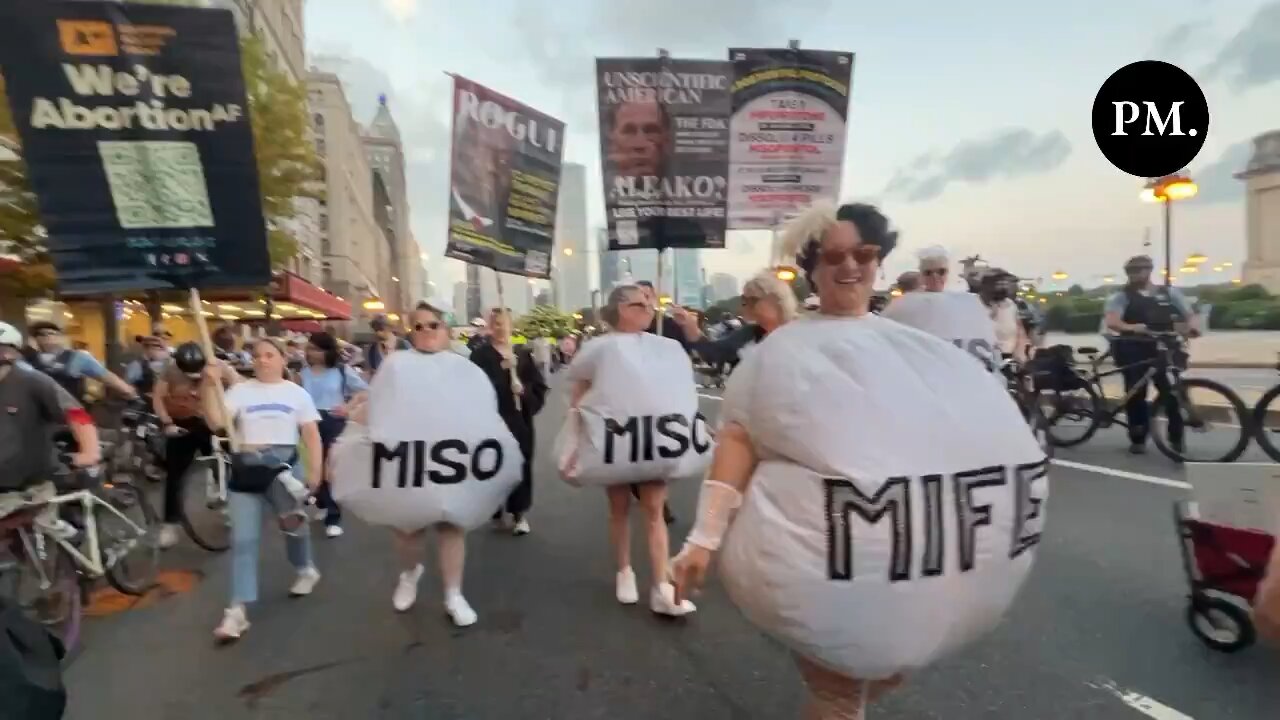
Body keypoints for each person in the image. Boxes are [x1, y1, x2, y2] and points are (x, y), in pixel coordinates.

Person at [671, 202, 1045, 719]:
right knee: (840, 697)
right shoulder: (780, 354)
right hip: (826, 573)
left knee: (873, 681)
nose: (849, 267)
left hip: (903, 574)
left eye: (863, 254)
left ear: (880, 261)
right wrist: (702, 540)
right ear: (812, 269)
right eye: (833, 257)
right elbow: (738, 442)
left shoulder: (916, 349)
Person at [567, 285, 697, 617]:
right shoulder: (599, 348)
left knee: (655, 510)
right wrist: (578, 433)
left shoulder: (665, 348)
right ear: (619, 308)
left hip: (653, 438)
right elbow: (579, 393)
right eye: (638, 304)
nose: (647, 309)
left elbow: (679, 391)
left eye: (649, 304)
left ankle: (662, 586)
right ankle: (625, 570)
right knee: (620, 507)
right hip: (616, 440)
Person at [202, 338, 323, 643]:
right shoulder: (239, 392)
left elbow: (311, 434)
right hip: (247, 469)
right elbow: (216, 422)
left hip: (284, 470)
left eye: (270, 355)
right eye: (257, 356)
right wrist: (207, 385)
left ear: (283, 359)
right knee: (244, 540)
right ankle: (237, 610)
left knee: (293, 528)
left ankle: (305, 568)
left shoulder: (297, 393)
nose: (263, 360)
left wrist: (316, 471)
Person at [383, 303, 481, 625]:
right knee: (408, 529)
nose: (427, 332)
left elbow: (480, 410)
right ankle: (409, 573)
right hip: (408, 456)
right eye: (419, 326)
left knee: (451, 526)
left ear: (447, 331)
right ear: (411, 332)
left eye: (434, 325)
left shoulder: (462, 367)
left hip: (450, 455)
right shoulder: (396, 365)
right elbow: (379, 405)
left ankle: (454, 594)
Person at [0, 322, 101, 526]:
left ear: (8, 353)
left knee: (42, 534)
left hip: (31, 480)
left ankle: (68, 533)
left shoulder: (33, 382)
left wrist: (90, 452)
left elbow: (76, 413)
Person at [1103, 255, 1199, 455]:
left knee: (1172, 393)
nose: (1136, 274)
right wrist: (1133, 328)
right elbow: (1113, 321)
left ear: (1149, 271)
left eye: (1140, 270)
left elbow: (1189, 314)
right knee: (1137, 393)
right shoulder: (1122, 296)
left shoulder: (1169, 293)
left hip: (1165, 347)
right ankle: (1138, 437)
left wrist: (1192, 328)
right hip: (1133, 348)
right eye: (1132, 271)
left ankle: (1176, 439)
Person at [152, 342, 237, 549]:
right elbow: (158, 397)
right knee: (175, 475)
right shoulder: (170, 371)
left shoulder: (219, 366)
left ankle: (230, 501)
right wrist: (167, 422)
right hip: (184, 424)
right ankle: (170, 525)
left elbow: (238, 387)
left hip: (214, 421)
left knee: (232, 462)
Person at [469, 309, 547, 536]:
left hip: (518, 419)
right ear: (490, 326)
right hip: (492, 419)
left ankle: (519, 513)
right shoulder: (480, 355)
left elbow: (538, 385)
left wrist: (522, 389)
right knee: (494, 464)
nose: (500, 328)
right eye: (496, 324)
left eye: (504, 323)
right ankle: (495, 509)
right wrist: (500, 375)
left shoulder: (522, 354)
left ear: (511, 326)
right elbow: (473, 386)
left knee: (521, 463)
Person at [298, 331, 368, 539]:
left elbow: (364, 390)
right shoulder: (302, 372)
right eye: (309, 347)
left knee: (330, 469)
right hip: (308, 422)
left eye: (316, 348)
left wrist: (348, 406)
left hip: (333, 421)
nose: (310, 352)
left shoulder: (341, 371)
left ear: (327, 351)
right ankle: (321, 501)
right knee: (313, 466)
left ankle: (334, 516)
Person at [672, 270, 797, 370]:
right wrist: (690, 327)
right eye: (744, 300)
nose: (746, 306)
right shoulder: (750, 334)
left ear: (775, 301)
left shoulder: (799, 333)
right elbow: (716, 352)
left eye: (752, 300)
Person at [24, 321, 137, 403]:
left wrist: (128, 391)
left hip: (69, 414)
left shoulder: (77, 357)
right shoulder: (26, 359)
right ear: (35, 338)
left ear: (60, 337)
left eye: (52, 333)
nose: (47, 337)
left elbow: (105, 375)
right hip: (34, 416)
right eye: (42, 334)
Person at [978, 268, 1029, 364]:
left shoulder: (1011, 306)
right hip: (982, 359)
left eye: (1004, 283)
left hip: (1008, 359)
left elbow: (1020, 333)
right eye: (998, 283)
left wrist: (1021, 359)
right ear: (985, 285)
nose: (1003, 286)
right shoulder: (975, 305)